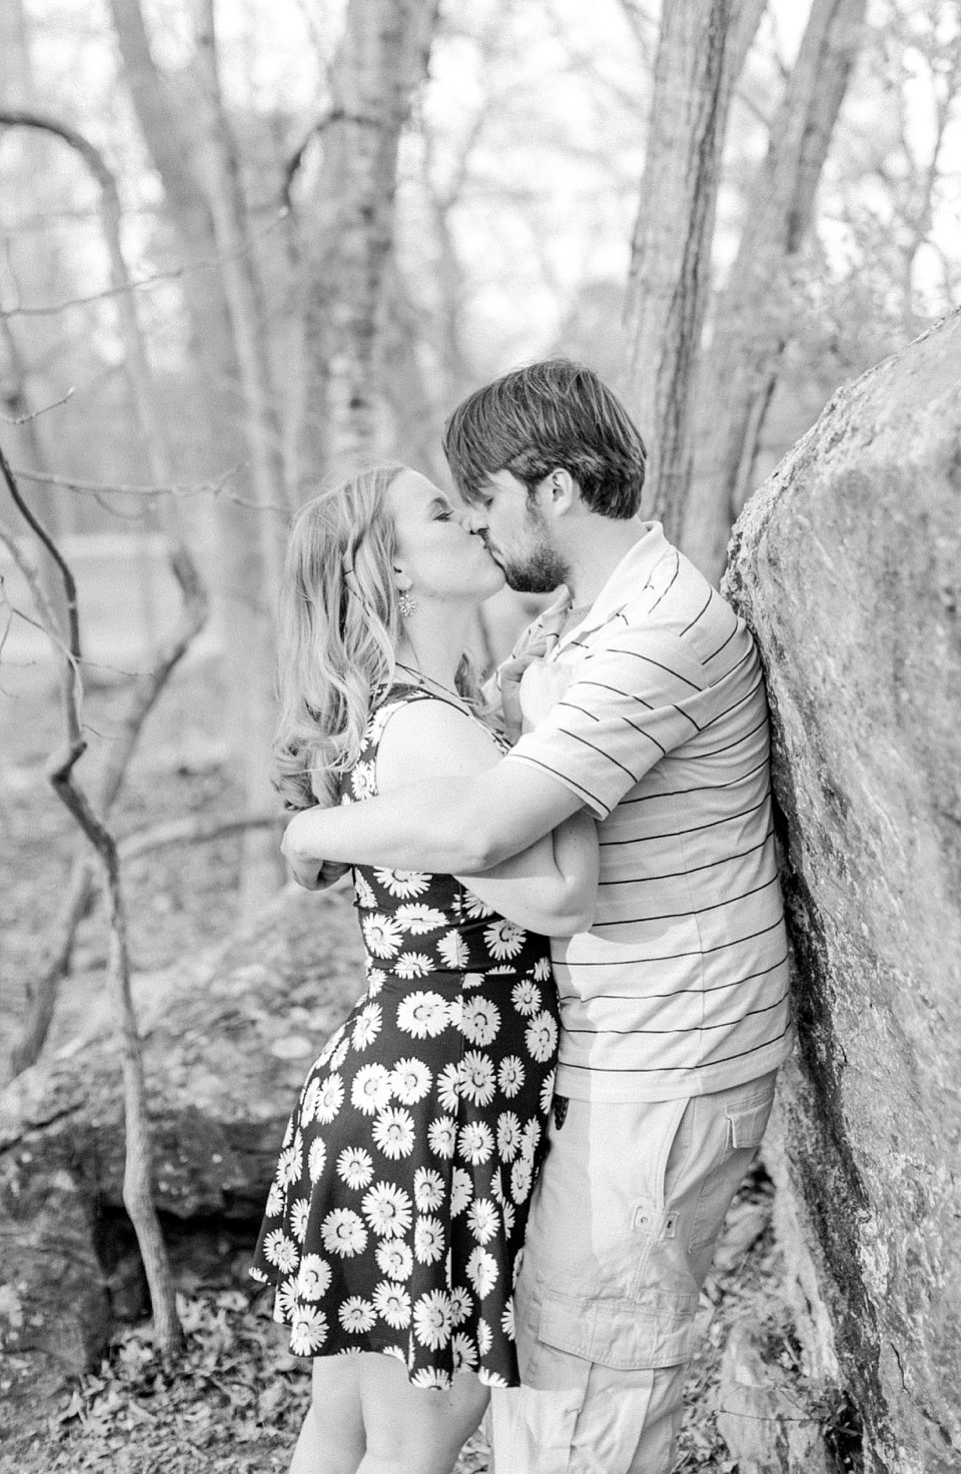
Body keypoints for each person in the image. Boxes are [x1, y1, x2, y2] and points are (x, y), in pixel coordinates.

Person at [281, 360, 792, 1473]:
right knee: (501, 1412)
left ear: (553, 488)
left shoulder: (642, 634)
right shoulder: (571, 634)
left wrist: (314, 832)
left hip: (658, 1060)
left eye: (478, 497)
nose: (470, 519)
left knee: (566, 1407)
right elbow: (519, 858)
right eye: (441, 510)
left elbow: (485, 839)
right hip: (483, 1080)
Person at [252, 463, 601, 1474]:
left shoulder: (423, 711)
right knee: (416, 1442)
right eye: (441, 512)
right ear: (390, 569)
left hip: (395, 1087)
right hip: (441, 1101)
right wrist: (565, 751)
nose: (474, 522)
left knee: (350, 1426)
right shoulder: (430, 729)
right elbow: (555, 898)